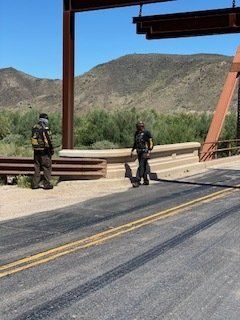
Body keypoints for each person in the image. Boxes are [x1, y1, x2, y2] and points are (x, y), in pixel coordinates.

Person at [31, 113, 54, 190]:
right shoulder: (45, 128)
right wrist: (51, 149)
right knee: (47, 167)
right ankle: (47, 184)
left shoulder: (34, 127)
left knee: (37, 168)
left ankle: (35, 184)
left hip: (36, 151)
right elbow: (49, 140)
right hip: (45, 151)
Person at [131, 121, 153, 188]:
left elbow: (151, 142)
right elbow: (135, 143)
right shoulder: (136, 133)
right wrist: (132, 150)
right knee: (144, 166)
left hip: (145, 152)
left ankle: (137, 180)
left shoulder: (147, 133)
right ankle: (146, 180)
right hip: (139, 152)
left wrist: (149, 151)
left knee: (141, 166)